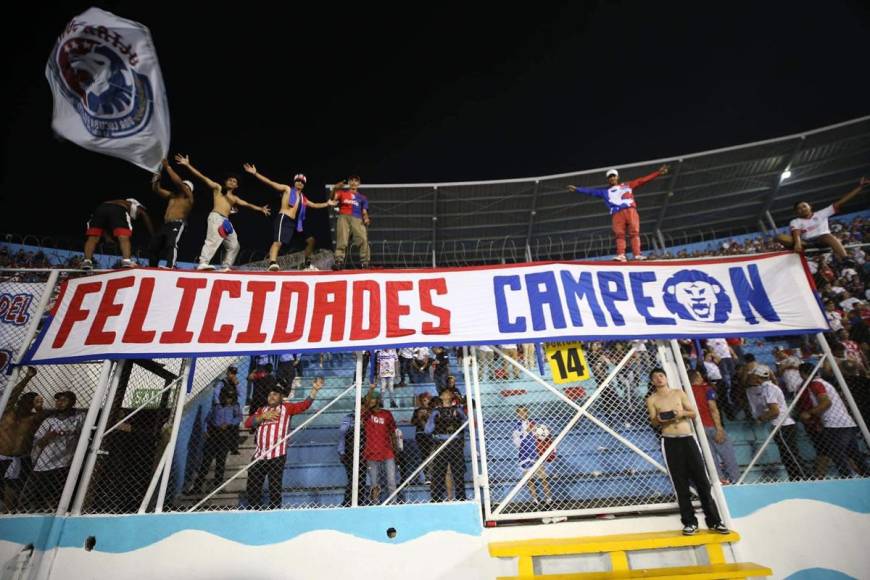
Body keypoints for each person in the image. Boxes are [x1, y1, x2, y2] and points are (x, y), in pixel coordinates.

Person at [645, 368, 728, 535]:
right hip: (669, 440)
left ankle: (714, 521)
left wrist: (680, 413)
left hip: (687, 438)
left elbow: (693, 413)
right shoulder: (652, 399)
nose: (659, 379)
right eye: (655, 377)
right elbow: (653, 421)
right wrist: (660, 419)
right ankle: (689, 522)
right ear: (652, 382)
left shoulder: (678, 393)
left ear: (666, 377)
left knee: (702, 481)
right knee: (680, 483)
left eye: (661, 375)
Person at [174, 154, 271, 271]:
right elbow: (202, 177)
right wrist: (188, 165)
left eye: (234, 181)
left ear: (236, 185)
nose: (231, 182)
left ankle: (226, 266)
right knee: (213, 240)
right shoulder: (218, 189)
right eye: (229, 180)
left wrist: (260, 209)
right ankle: (203, 262)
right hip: (215, 217)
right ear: (226, 182)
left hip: (226, 221)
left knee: (234, 245)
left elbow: (247, 204)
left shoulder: (234, 198)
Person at [243, 378, 322, 509]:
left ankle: (275, 513)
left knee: (275, 488)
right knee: (253, 487)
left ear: (281, 397)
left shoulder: (287, 408)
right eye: (270, 394)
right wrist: (262, 417)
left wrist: (314, 390)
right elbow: (247, 423)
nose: (271, 396)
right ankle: (253, 512)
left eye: (275, 394)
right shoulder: (261, 410)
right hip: (259, 455)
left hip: (277, 455)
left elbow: (304, 405)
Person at [566, 165, 669, 261]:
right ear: (608, 179)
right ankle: (621, 255)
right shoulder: (605, 192)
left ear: (617, 177)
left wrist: (658, 173)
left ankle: (637, 254)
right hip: (617, 214)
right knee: (620, 235)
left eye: (613, 176)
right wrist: (577, 189)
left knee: (634, 232)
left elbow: (642, 180)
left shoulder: (627, 185)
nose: (612, 178)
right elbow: (590, 191)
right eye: (610, 177)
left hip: (630, 210)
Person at [242, 164, 336, 271]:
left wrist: (327, 203)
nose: (299, 183)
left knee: (311, 241)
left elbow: (314, 205)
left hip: (296, 224)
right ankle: (272, 263)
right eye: (298, 181)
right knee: (278, 242)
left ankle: (307, 264)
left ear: (304, 185)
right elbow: (271, 183)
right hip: (284, 218)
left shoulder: (303, 198)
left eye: (302, 182)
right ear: (294, 182)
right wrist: (255, 173)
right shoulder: (287, 189)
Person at [19, 390, 83, 511]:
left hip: (65, 463)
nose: (59, 402)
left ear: (72, 402)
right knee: (31, 494)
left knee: (55, 495)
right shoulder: (49, 420)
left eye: (64, 400)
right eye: (58, 400)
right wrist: (50, 435)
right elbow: (39, 443)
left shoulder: (79, 418)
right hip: (44, 463)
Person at [776, 177, 868, 261]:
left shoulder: (822, 213)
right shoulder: (795, 221)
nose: (802, 209)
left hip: (823, 242)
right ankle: (793, 252)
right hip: (806, 244)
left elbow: (842, 201)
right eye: (799, 209)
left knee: (826, 235)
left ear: (810, 207)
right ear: (796, 213)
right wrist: (798, 243)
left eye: (804, 206)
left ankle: (845, 258)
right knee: (780, 237)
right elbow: (796, 233)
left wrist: (860, 187)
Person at [797, 363, 862, 477]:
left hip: (833, 423)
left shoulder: (815, 384)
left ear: (802, 374)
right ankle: (863, 474)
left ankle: (847, 477)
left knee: (838, 455)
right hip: (844, 421)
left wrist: (809, 413)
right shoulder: (824, 383)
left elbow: (826, 402)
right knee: (852, 454)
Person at [744, 365, 805, 481]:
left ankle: (802, 477)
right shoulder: (768, 387)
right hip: (782, 425)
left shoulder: (768, 389)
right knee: (788, 454)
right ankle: (796, 478)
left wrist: (760, 418)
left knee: (790, 454)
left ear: (757, 377)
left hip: (781, 425)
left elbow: (774, 411)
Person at [0, 368, 42, 512]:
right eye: (27, 400)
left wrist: (39, 407)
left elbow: (41, 417)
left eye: (32, 402)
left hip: (17, 459)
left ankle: (6, 514)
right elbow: (12, 395)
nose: (29, 403)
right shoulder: (8, 412)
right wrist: (27, 378)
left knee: (11, 492)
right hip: (0, 456)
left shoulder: (32, 418)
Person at [687, 370, 740, 484]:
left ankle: (719, 481)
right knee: (727, 455)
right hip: (711, 425)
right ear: (697, 377)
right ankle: (736, 480)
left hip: (697, 429)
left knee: (709, 457)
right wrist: (719, 428)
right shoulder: (706, 389)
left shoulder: (685, 392)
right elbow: (713, 409)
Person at [188, 390, 242, 495]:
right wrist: (205, 430)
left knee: (220, 462)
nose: (228, 400)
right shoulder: (216, 407)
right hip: (213, 434)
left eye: (230, 398)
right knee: (205, 462)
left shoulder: (234, 407)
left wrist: (229, 423)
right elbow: (207, 420)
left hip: (225, 434)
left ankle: (217, 487)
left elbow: (239, 418)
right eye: (226, 397)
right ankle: (197, 486)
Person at [82, 198, 154, 270]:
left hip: (101, 208)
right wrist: (153, 234)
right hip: (118, 209)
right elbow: (145, 215)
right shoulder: (134, 205)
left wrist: (107, 238)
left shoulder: (115, 202)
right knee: (123, 236)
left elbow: (104, 226)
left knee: (93, 237)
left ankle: (86, 261)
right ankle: (126, 261)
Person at [148, 158, 194, 268]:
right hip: (165, 224)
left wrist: (168, 167)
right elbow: (156, 189)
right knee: (153, 246)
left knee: (171, 244)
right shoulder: (172, 196)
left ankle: (170, 266)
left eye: (185, 186)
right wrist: (156, 179)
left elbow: (178, 182)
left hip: (177, 223)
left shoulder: (189, 198)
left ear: (189, 190)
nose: (183, 186)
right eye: (184, 185)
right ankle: (152, 267)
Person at [425, 388, 468, 502]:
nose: (447, 394)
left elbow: (466, 422)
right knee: (439, 471)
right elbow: (428, 429)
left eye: (449, 393)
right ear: (441, 397)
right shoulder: (436, 412)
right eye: (445, 393)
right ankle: (436, 497)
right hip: (442, 442)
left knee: (458, 472)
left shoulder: (458, 410)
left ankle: (461, 497)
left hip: (455, 442)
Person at [362, 385, 398, 504]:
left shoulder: (386, 414)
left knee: (391, 481)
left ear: (378, 400)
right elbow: (365, 404)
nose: (371, 401)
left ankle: (393, 503)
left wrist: (395, 447)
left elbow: (393, 432)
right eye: (370, 398)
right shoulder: (366, 414)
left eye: (374, 398)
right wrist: (371, 390)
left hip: (387, 451)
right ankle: (375, 503)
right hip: (371, 451)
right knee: (374, 482)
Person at [512, 406, 553, 506]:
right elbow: (517, 442)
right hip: (524, 455)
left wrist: (534, 431)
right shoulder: (515, 426)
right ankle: (535, 500)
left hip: (535, 454)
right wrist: (524, 433)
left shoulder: (533, 423)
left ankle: (549, 499)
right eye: (519, 412)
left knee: (543, 478)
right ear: (517, 414)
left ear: (527, 413)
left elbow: (541, 436)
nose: (522, 414)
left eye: (524, 411)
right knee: (529, 479)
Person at [331, 175, 370, 270]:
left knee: (363, 239)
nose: (353, 182)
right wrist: (334, 188)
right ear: (348, 183)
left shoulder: (363, 197)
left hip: (357, 218)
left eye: (356, 181)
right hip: (343, 217)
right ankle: (339, 262)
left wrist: (366, 218)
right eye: (351, 180)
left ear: (359, 184)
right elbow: (332, 200)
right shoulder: (341, 193)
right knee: (342, 239)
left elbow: (364, 211)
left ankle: (365, 263)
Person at [337, 406, 367, 507]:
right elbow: (342, 431)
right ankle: (348, 501)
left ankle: (360, 500)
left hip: (363, 452)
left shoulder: (368, 418)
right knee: (352, 478)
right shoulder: (349, 418)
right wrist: (355, 424)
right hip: (349, 453)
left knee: (362, 478)